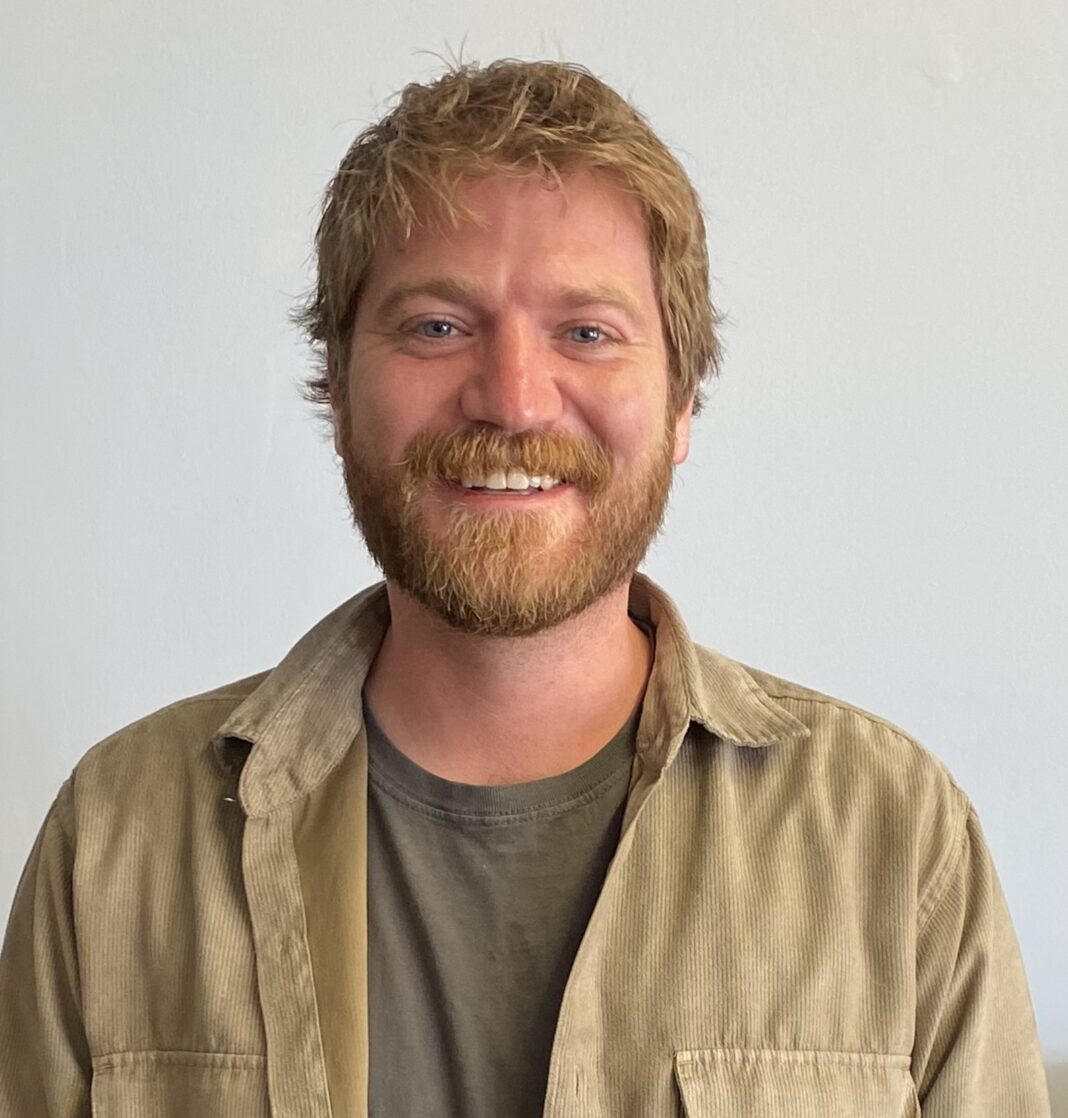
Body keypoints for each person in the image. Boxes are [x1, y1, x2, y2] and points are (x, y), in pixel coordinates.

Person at [0, 59, 1050, 1118]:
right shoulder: (116, 838)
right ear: (337, 389)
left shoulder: (896, 840)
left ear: (682, 402)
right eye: (436, 326)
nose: (512, 399)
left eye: (586, 332)